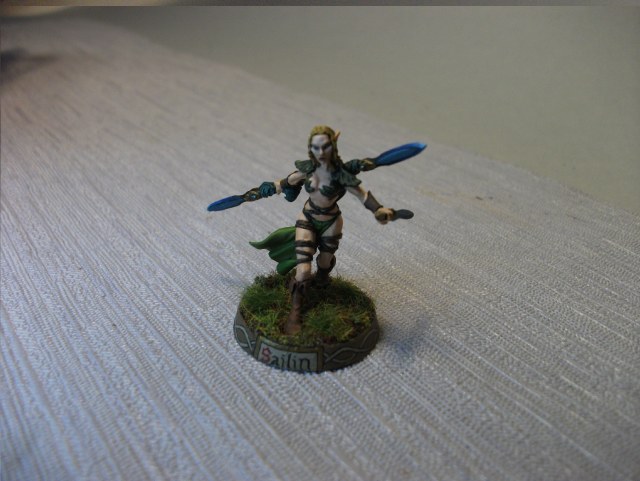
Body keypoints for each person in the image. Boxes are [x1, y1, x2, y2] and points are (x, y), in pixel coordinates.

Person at [252, 125, 403, 335]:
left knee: (324, 262)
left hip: (331, 221)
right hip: (308, 218)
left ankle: (322, 281)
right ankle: (296, 310)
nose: (320, 152)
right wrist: (267, 188)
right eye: (316, 147)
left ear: (333, 146)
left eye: (325, 147)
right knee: (304, 269)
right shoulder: (307, 170)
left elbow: (362, 195)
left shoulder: (341, 175)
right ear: (310, 148)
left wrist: (378, 209)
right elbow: (285, 182)